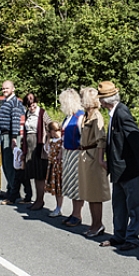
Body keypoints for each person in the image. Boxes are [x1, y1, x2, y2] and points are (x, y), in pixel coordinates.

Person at [97, 81, 139, 251]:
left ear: (107, 100)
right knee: (119, 206)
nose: (100, 102)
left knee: (134, 205)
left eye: (101, 98)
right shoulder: (114, 113)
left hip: (129, 168)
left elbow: (136, 139)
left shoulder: (122, 113)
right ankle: (119, 235)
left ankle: (132, 237)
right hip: (118, 169)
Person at [77, 87, 110, 237]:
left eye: (83, 97)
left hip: (92, 156)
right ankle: (94, 223)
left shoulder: (97, 117)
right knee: (89, 193)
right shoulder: (86, 116)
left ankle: (98, 224)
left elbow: (101, 139)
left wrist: (99, 159)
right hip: (85, 155)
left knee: (95, 193)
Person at [59, 88, 85, 222]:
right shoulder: (68, 118)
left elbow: (84, 137)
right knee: (71, 184)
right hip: (68, 153)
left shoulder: (80, 116)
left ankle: (77, 214)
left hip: (77, 153)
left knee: (77, 185)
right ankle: (74, 213)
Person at [22, 93, 52, 210]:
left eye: (33, 103)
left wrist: (47, 141)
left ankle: (40, 200)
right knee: (34, 174)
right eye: (29, 105)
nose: (32, 107)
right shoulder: (27, 113)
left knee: (40, 175)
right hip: (30, 146)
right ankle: (37, 199)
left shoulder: (42, 113)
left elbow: (50, 125)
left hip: (39, 146)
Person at [0, 81, 25, 201]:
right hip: (3, 134)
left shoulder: (15, 103)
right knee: (6, 164)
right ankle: (10, 188)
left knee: (10, 164)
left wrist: (14, 137)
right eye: (3, 89)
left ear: (13, 89)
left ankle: (14, 192)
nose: (4, 90)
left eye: (7, 88)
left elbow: (15, 121)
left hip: (10, 135)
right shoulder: (5, 102)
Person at [44, 122, 64, 217]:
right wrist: (48, 138)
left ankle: (59, 207)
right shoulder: (53, 141)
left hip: (59, 167)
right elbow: (46, 149)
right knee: (56, 188)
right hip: (53, 165)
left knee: (59, 187)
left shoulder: (62, 141)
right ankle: (58, 207)